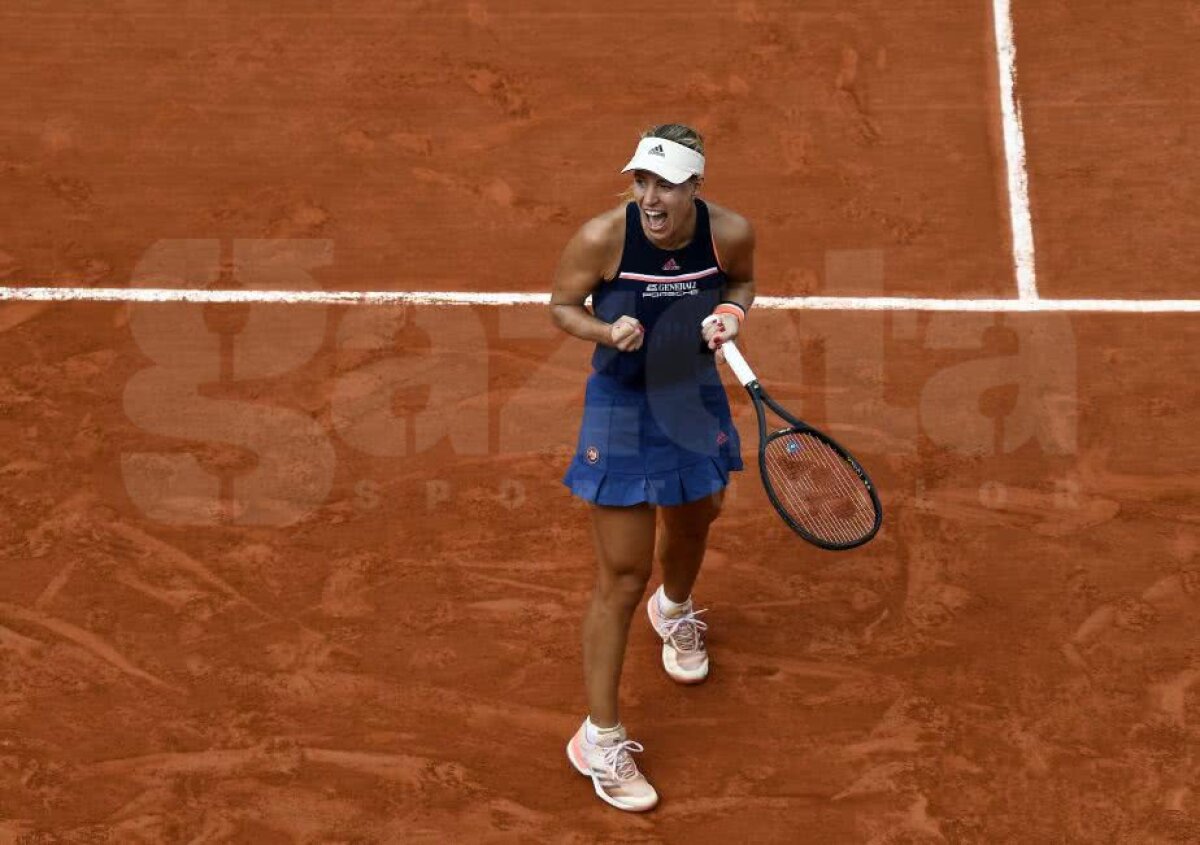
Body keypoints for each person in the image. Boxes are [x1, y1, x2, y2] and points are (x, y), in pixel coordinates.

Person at [549, 124, 756, 812]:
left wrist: (729, 311)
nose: (650, 196)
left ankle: (676, 609)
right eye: (642, 180)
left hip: (691, 394)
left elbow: (744, 281)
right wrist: (607, 331)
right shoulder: (604, 236)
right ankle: (598, 737)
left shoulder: (728, 231)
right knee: (622, 574)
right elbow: (561, 306)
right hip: (622, 405)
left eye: (665, 183)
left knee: (700, 517)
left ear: (696, 184)